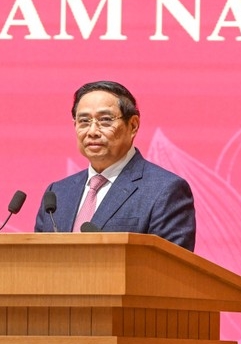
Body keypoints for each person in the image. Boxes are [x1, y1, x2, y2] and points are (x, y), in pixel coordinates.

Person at [34, 81, 196, 251]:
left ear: (133, 126)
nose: (92, 131)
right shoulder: (58, 193)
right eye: (84, 121)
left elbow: (168, 264)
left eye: (105, 120)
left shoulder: (164, 190)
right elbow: (36, 259)